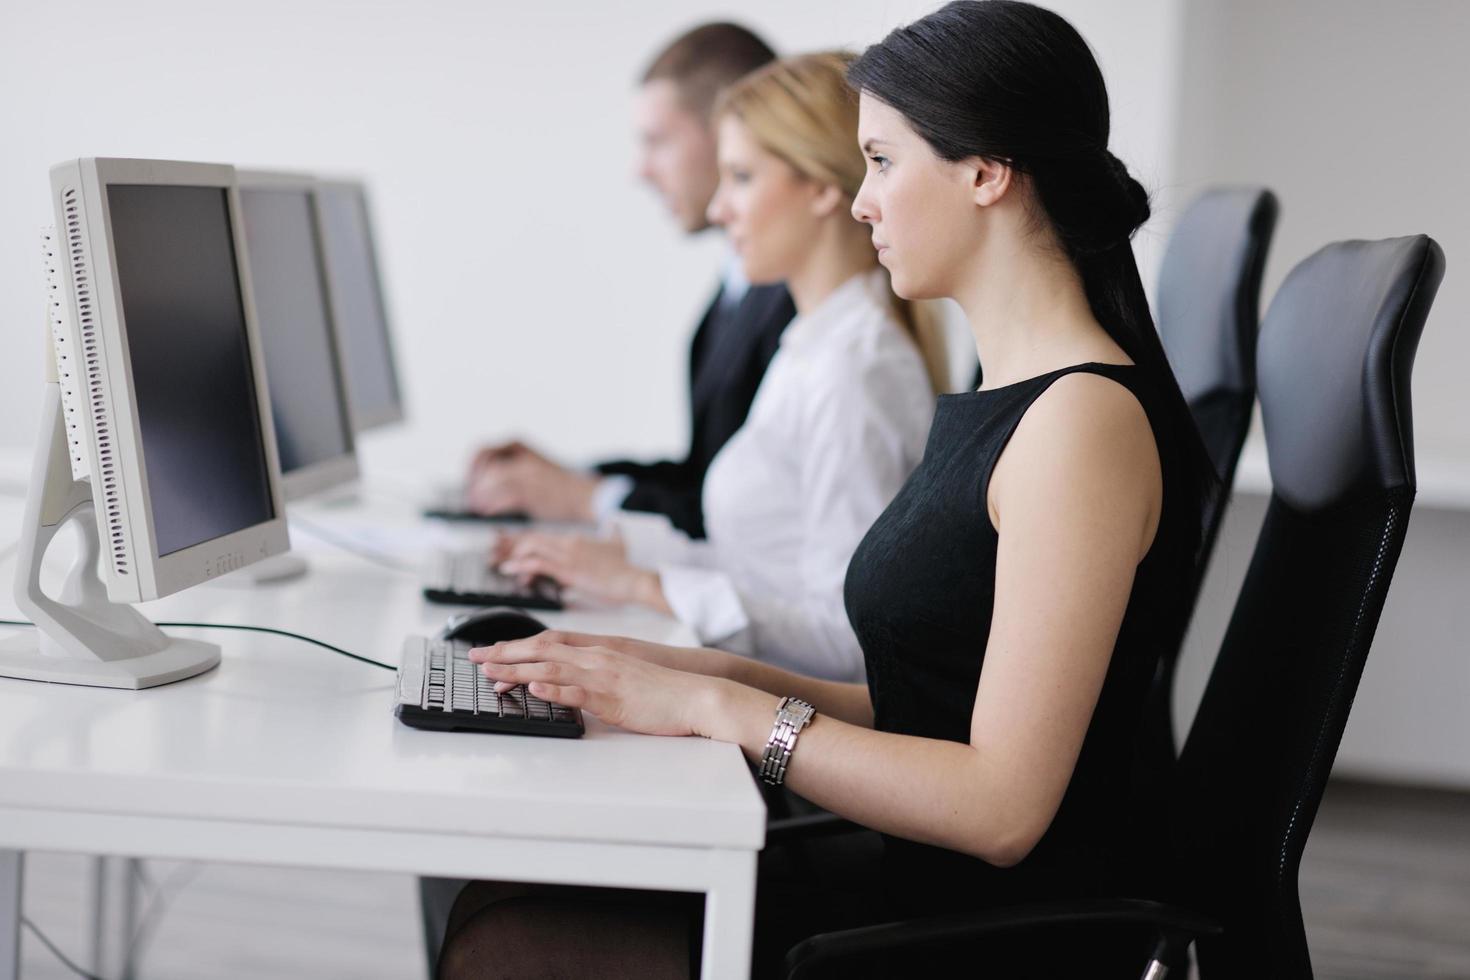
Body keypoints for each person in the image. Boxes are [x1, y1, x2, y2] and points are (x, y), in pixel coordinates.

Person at [439, 2, 1218, 977]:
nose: (862, 201)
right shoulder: (1004, 395)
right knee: (505, 888)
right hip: (912, 881)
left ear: (984, 170)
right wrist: (691, 675)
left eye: (884, 162)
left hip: (979, 931)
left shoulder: (1080, 427)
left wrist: (726, 715)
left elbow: (1002, 809)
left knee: (511, 927)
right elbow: (925, 704)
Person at [492, 52, 944, 683]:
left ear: (819, 188)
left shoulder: (857, 369)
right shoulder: (811, 345)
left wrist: (646, 585)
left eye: (741, 178)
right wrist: (616, 555)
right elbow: (759, 568)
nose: (716, 210)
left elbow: (849, 640)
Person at [464, 23, 794, 539]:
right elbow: (706, 475)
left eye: (658, 141)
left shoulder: (800, 303)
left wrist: (582, 498)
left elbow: (748, 523)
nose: (640, 171)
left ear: (733, 132)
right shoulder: (741, 284)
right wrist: (571, 478)